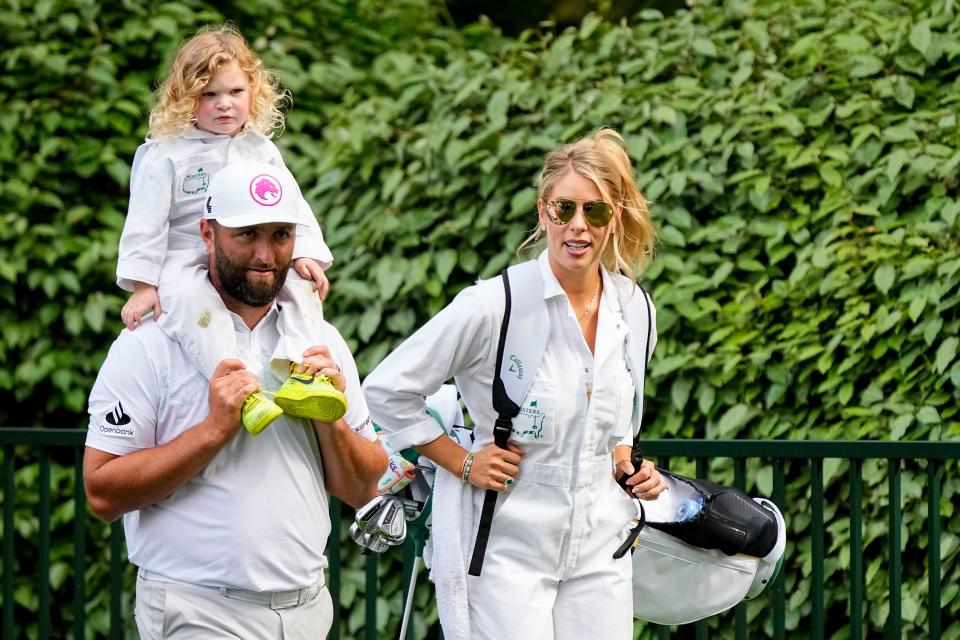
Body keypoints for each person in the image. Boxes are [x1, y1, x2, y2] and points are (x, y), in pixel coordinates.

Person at [363, 129, 668, 640]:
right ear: (542, 211)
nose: (578, 226)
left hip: (600, 545)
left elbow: (614, 418)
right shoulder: (493, 304)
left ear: (614, 216)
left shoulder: (633, 309)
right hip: (507, 547)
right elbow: (388, 390)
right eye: (564, 209)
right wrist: (461, 461)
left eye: (594, 212)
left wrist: (627, 464)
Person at [84, 160, 387, 639]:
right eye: (247, 234)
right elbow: (101, 492)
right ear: (208, 233)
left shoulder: (320, 337)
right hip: (197, 608)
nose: (266, 254)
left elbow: (363, 488)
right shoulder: (149, 341)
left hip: (307, 608)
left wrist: (330, 418)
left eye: (281, 234)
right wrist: (212, 431)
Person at [116, 25, 342, 436]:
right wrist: (143, 284)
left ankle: (306, 373)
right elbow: (144, 222)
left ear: (253, 92)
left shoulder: (260, 149)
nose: (224, 105)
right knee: (188, 302)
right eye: (209, 95)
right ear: (186, 98)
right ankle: (239, 386)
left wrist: (306, 251)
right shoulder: (166, 152)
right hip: (185, 254)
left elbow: (292, 205)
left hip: (253, 250)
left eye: (235, 92)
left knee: (301, 287)